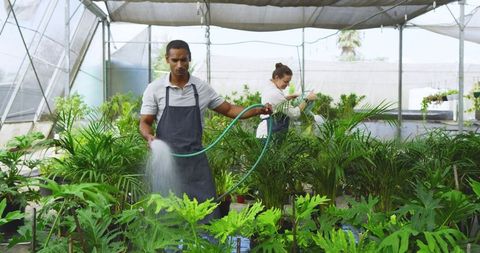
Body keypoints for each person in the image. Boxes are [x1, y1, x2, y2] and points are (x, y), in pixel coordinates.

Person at [139, 40, 271, 218]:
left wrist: (258, 110)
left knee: (206, 212)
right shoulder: (155, 89)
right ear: (167, 60)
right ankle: (170, 247)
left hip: (195, 163)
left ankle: (206, 245)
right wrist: (149, 137)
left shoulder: (200, 88)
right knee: (167, 215)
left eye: (184, 60)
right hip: (168, 162)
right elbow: (145, 122)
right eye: (175, 60)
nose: (180, 65)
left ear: (189, 59)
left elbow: (230, 109)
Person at [256, 63, 317, 140]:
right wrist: (307, 99)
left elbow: (276, 102)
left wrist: (289, 97)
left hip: (268, 132)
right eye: (285, 81)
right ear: (277, 77)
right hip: (269, 134)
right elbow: (295, 114)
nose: (288, 84)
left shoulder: (269, 87)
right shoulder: (274, 93)